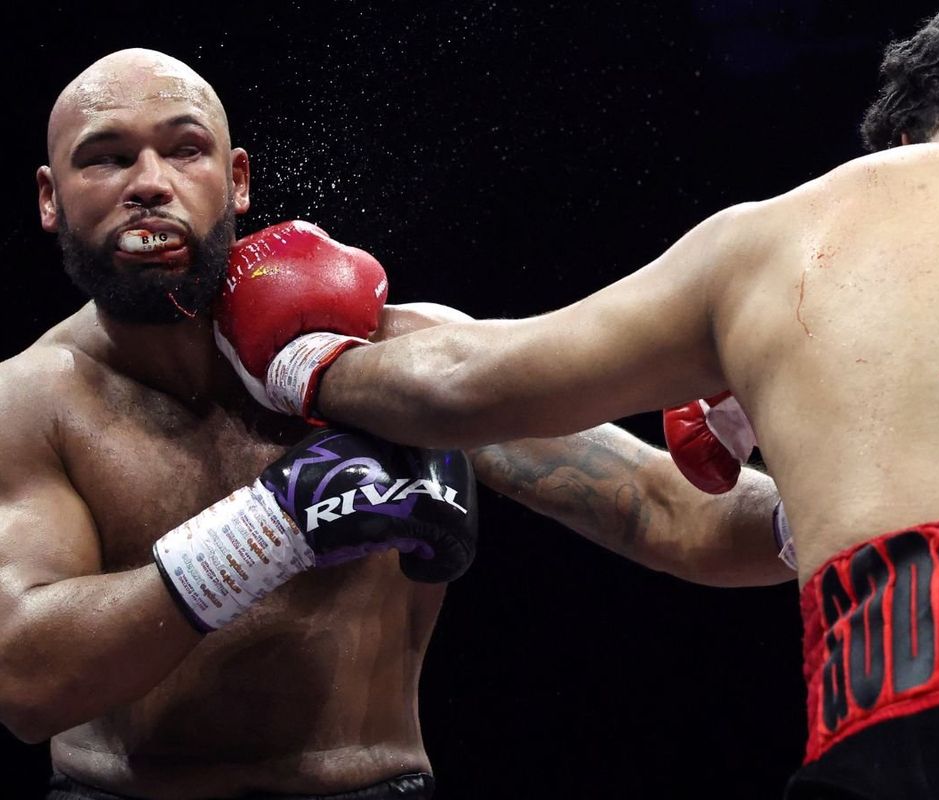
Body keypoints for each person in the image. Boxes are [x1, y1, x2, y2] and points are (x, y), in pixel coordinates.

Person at [222, 2, 939, 798]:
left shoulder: (775, 239)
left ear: (896, 144)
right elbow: (689, 520)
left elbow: (463, 384)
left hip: (891, 709)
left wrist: (304, 355)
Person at [0, 48, 791, 800]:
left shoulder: (386, 362)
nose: (149, 183)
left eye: (185, 150)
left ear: (236, 180)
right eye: (105, 157)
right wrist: (271, 528)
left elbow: (661, 509)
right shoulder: (30, 402)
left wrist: (834, 504)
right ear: (49, 197)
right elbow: (24, 682)